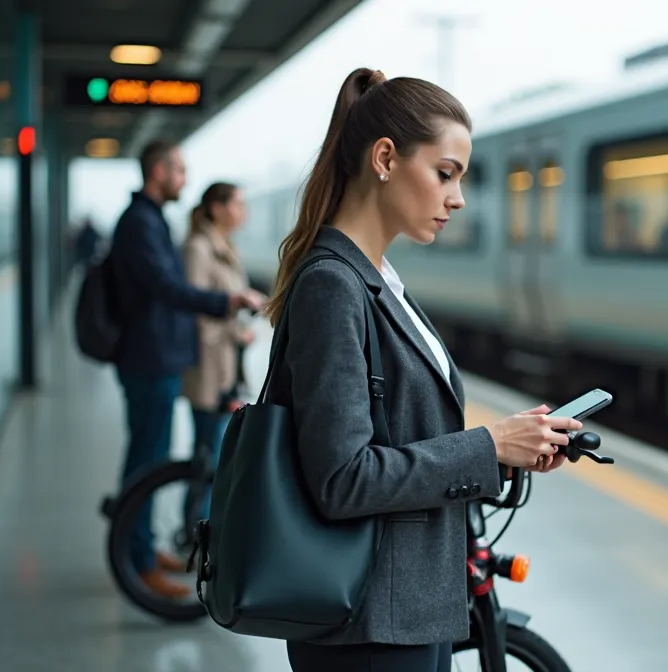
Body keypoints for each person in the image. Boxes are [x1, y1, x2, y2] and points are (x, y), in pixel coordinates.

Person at [262, 67, 582, 672]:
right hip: (368, 628)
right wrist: (486, 445)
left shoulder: (378, 281)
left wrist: (506, 450)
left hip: (407, 609)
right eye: (445, 174)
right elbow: (343, 478)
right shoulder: (334, 285)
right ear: (385, 158)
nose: (457, 197)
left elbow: (402, 436)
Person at [109, 140, 265, 599]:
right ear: (158, 171)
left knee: (151, 459)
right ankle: (136, 563)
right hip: (149, 356)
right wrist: (228, 301)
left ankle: (143, 547)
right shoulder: (140, 222)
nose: (184, 179)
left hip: (157, 356)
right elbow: (165, 287)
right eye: (179, 170)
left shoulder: (149, 219)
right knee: (145, 464)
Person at [180, 181, 253, 517]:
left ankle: (201, 529)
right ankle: (196, 531)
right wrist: (234, 332)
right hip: (208, 369)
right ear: (217, 208)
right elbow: (195, 313)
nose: (243, 211)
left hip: (224, 368)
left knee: (215, 453)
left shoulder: (224, 245)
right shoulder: (198, 248)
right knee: (209, 455)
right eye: (237, 204)